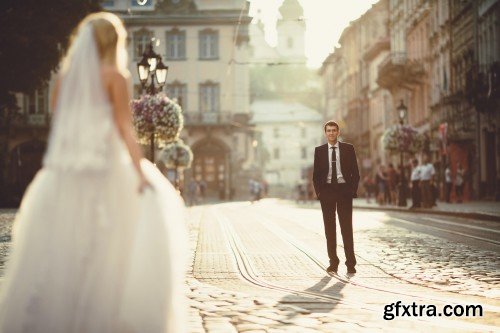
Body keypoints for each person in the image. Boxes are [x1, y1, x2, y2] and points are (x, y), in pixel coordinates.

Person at [0, 13, 186, 333]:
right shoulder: (115, 77)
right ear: (114, 43)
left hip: (67, 173)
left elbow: (61, 128)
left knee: (66, 245)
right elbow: (124, 128)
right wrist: (140, 170)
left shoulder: (63, 81)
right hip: (106, 169)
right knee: (111, 245)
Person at [313, 121, 360, 274]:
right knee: (329, 229)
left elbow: (355, 172)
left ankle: (351, 263)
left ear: (338, 132)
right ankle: (333, 262)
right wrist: (319, 193)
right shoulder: (319, 151)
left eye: (334, 130)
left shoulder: (348, 148)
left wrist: (352, 190)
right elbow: (316, 175)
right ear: (325, 133)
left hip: (344, 191)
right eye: (329, 131)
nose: (331, 133)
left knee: (346, 228)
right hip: (326, 192)